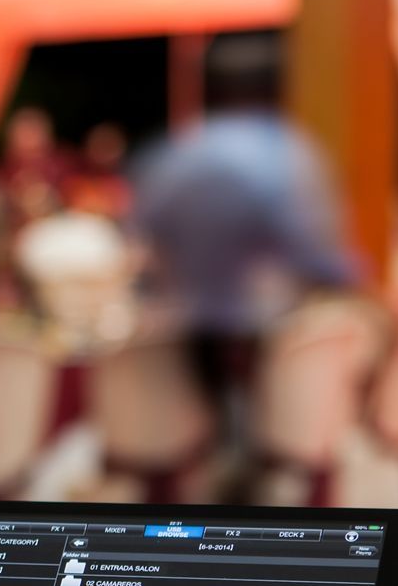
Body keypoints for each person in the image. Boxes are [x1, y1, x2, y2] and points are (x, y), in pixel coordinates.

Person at [136, 36, 359, 490]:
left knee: (217, 441)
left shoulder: (175, 156)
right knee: (263, 450)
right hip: (271, 337)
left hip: (190, 335)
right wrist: (353, 279)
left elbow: (145, 233)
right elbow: (316, 253)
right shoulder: (288, 155)